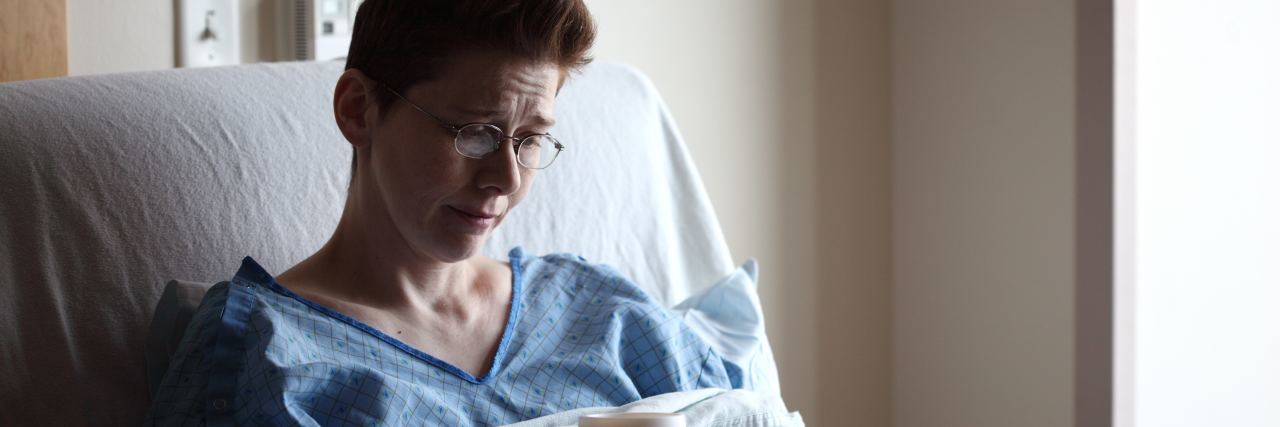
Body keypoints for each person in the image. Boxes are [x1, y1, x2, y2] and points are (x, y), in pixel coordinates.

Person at [146, 1, 741, 425]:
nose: (505, 179)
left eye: (530, 138)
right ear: (358, 110)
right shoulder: (266, 354)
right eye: (476, 133)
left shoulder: (605, 315)